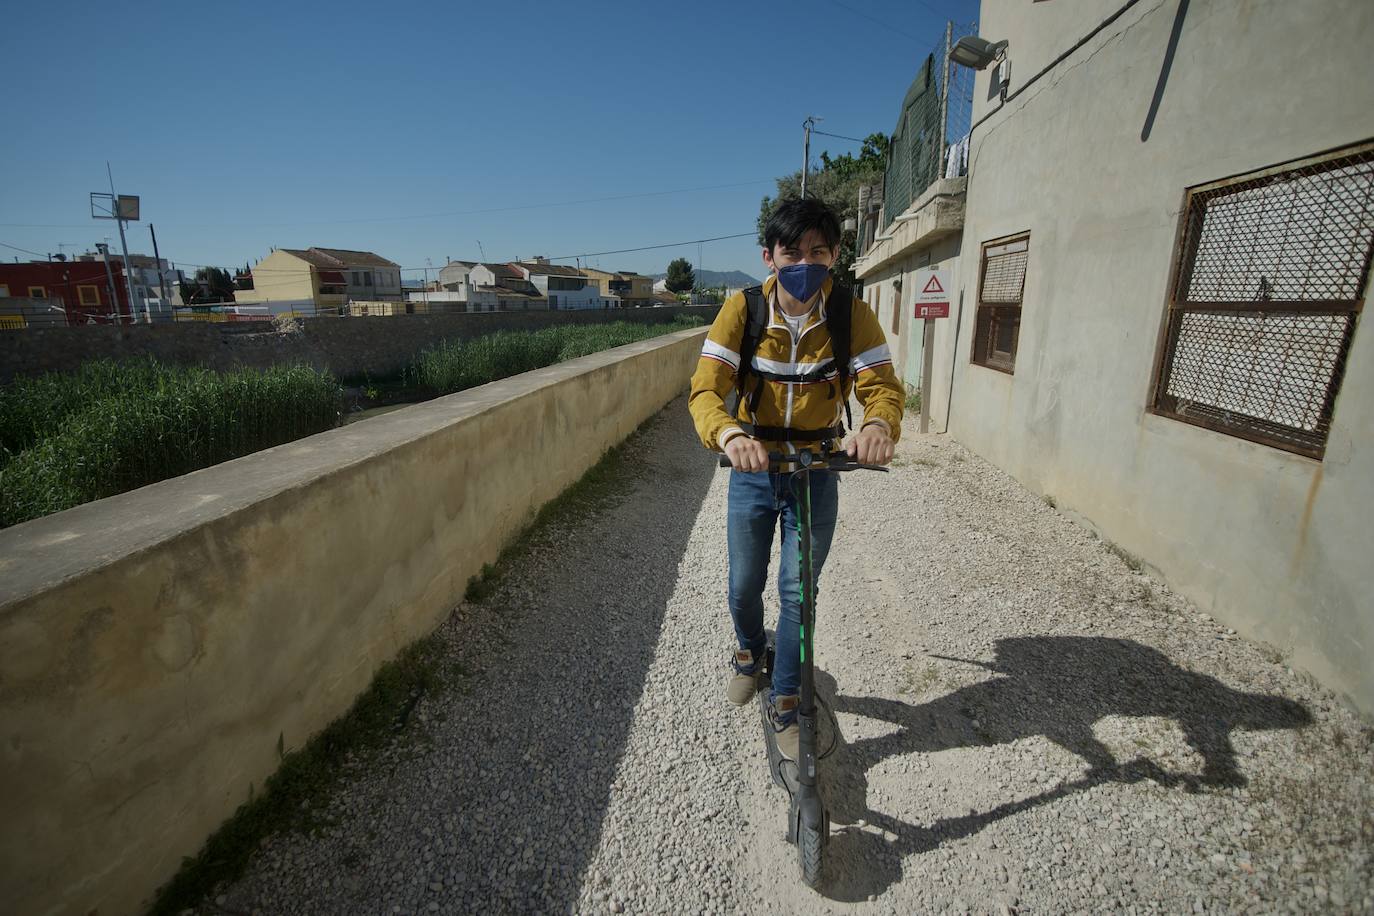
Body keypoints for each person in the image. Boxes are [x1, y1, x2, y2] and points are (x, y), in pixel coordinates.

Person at [688, 197, 904, 761]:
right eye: (793, 251)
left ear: (835, 256)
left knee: (798, 594)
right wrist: (730, 436)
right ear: (770, 256)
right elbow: (706, 390)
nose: (805, 262)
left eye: (819, 251)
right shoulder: (743, 310)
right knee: (742, 585)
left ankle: (786, 699)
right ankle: (747, 651)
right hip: (753, 467)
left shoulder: (848, 314)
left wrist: (878, 424)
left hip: (816, 470)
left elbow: (881, 386)